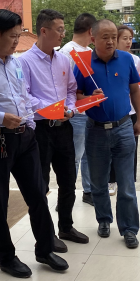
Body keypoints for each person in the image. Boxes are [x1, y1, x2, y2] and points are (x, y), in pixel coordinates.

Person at [0, 9, 68, 278]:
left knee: (38, 195)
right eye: (13, 36)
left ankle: (44, 249)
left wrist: (30, 124)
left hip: (25, 137)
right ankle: (6, 257)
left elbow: (23, 97)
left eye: (19, 36)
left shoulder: (14, 62)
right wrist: (0, 118)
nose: (17, 42)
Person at [19, 9, 89, 251]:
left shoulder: (63, 60)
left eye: (63, 29)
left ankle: (66, 226)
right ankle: (47, 235)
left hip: (64, 127)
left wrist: (68, 108)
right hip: (40, 129)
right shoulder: (24, 62)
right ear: (44, 31)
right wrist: (50, 108)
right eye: (59, 30)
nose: (63, 34)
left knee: (68, 180)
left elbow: (70, 90)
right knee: (41, 185)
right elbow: (24, 96)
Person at [74, 19, 140, 249]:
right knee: (98, 182)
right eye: (105, 37)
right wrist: (89, 98)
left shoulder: (126, 59)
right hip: (95, 130)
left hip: (124, 128)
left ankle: (129, 229)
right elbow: (75, 97)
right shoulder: (83, 63)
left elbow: (135, 90)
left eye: (114, 36)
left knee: (126, 184)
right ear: (93, 38)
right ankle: (104, 219)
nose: (111, 41)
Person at [59, 12, 96, 205]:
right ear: (91, 31)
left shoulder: (89, 52)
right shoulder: (67, 53)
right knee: (73, 156)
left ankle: (88, 191)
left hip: (89, 111)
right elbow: (64, 87)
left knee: (89, 155)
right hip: (75, 114)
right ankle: (66, 196)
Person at [108, 25, 140, 188]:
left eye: (130, 39)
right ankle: (111, 180)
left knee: (130, 148)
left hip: (131, 111)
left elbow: (139, 86)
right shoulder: (108, 59)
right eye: (125, 38)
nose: (128, 42)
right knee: (112, 148)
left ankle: (129, 181)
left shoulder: (134, 60)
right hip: (114, 112)